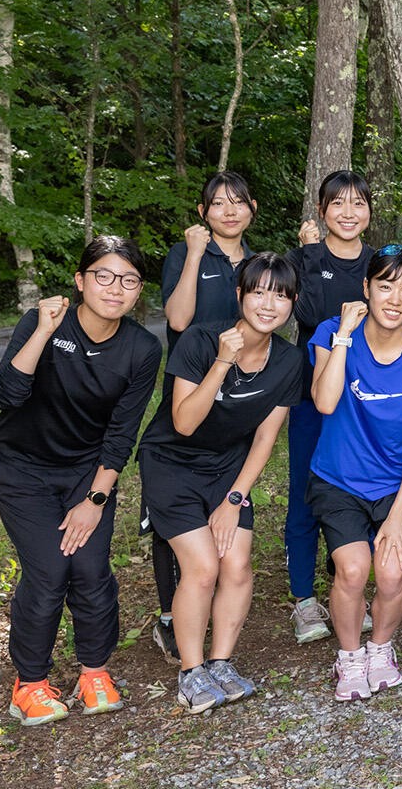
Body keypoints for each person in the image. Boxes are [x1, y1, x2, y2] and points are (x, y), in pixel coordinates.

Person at [0, 236, 162, 725]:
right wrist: (43, 332)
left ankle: (94, 673)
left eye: (128, 280)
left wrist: (95, 500)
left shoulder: (142, 348)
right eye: (103, 276)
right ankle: (30, 683)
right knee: (49, 572)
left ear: (139, 291)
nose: (115, 288)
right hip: (21, 467)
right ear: (80, 281)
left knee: (89, 569)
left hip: (87, 471)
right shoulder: (43, 322)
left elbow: (122, 433)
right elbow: (5, 395)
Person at [138, 254, 306, 711]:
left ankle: (221, 663)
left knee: (236, 565)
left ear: (293, 303)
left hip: (227, 467)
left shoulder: (289, 360)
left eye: (281, 295)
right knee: (203, 567)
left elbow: (265, 438)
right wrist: (221, 362)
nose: (268, 304)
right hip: (170, 461)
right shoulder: (199, 340)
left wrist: (235, 498)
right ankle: (191, 672)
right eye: (259, 292)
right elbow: (184, 422)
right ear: (239, 295)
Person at [307, 245, 402, 701]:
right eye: (385, 286)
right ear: (365, 288)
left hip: (394, 486)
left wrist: (399, 514)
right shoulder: (332, 333)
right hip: (338, 479)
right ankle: (349, 656)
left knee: (391, 573)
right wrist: (345, 336)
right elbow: (325, 402)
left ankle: (381, 648)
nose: (395, 299)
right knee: (352, 570)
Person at [150, 170, 260, 663]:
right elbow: (177, 319)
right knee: (172, 510)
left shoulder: (257, 263)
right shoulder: (186, 252)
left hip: (236, 398)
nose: (229, 211)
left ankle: (208, 608)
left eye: (238, 202)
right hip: (190, 386)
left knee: (222, 495)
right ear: (203, 212)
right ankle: (169, 618)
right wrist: (195, 254)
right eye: (218, 203)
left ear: (252, 208)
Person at [283, 171, 377, 644]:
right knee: (305, 492)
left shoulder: (379, 263)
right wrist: (311, 253)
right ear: (321, 211)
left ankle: (351, 588)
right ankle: (304, 599)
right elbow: (306, 314)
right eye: (337, 203)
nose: (348, 212)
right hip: (313, 393)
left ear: (369, 212)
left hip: (364, 401)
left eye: (358, 203)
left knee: (358, 492)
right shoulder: (302, 259)